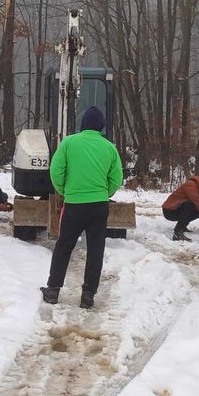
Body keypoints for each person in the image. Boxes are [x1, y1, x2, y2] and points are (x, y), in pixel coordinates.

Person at [41, 106, 123, 309]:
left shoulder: (69, 142)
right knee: (95, 249)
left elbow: (56, 171)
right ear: (101, 127)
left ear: (83, 125)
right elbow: (116, 178)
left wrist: (64, 191)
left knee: (64, 246)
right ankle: (88, 295)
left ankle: (53, 290)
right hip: (99, 206)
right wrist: (106, 193)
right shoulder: (109, 148)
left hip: (74, 205)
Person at [162, 174, 199, 241]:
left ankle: (182, 226)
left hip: (177, 209)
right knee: (191, 205)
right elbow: (197, 203)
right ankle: (177, 233)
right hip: (169, 211)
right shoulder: (190, 185)